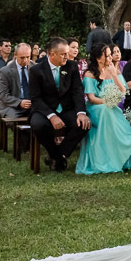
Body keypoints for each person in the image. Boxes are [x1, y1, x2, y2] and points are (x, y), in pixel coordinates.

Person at [78, 43, 131, 174]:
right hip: (95, 108)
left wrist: (114, 75)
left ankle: (130, 144)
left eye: (110, 55)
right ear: (98, 58)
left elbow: (123, 90)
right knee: (106, 110)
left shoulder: (114, 69)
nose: (110, 58)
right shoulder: (90, 74)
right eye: (107, 55)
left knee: (113, 111)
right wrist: (107, 102)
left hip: (110, 108)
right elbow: (91, 98)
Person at [28, 37, 91, 172]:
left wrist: (81, 113)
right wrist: (51, 116)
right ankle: (56, 155)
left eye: (67, 53)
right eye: (63, 54)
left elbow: (77, 91)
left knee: (83, 124)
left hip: (66, 108)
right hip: (45, 109)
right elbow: (36, 98)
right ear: (52, 54)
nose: (67, 56)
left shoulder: (71, 66)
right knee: (38, 125)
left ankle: (58, 156)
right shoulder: (36, 70)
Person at [0, 43, 33, 120]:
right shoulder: (5, 71)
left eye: (28, 57)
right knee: (13, 119)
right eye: (22, 58)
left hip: (32, 104)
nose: (25, 60)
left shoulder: (35, 67)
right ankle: (21, 132)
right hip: (12, 105)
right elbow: (3, 94)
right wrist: (19, 103)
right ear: (15, 55)